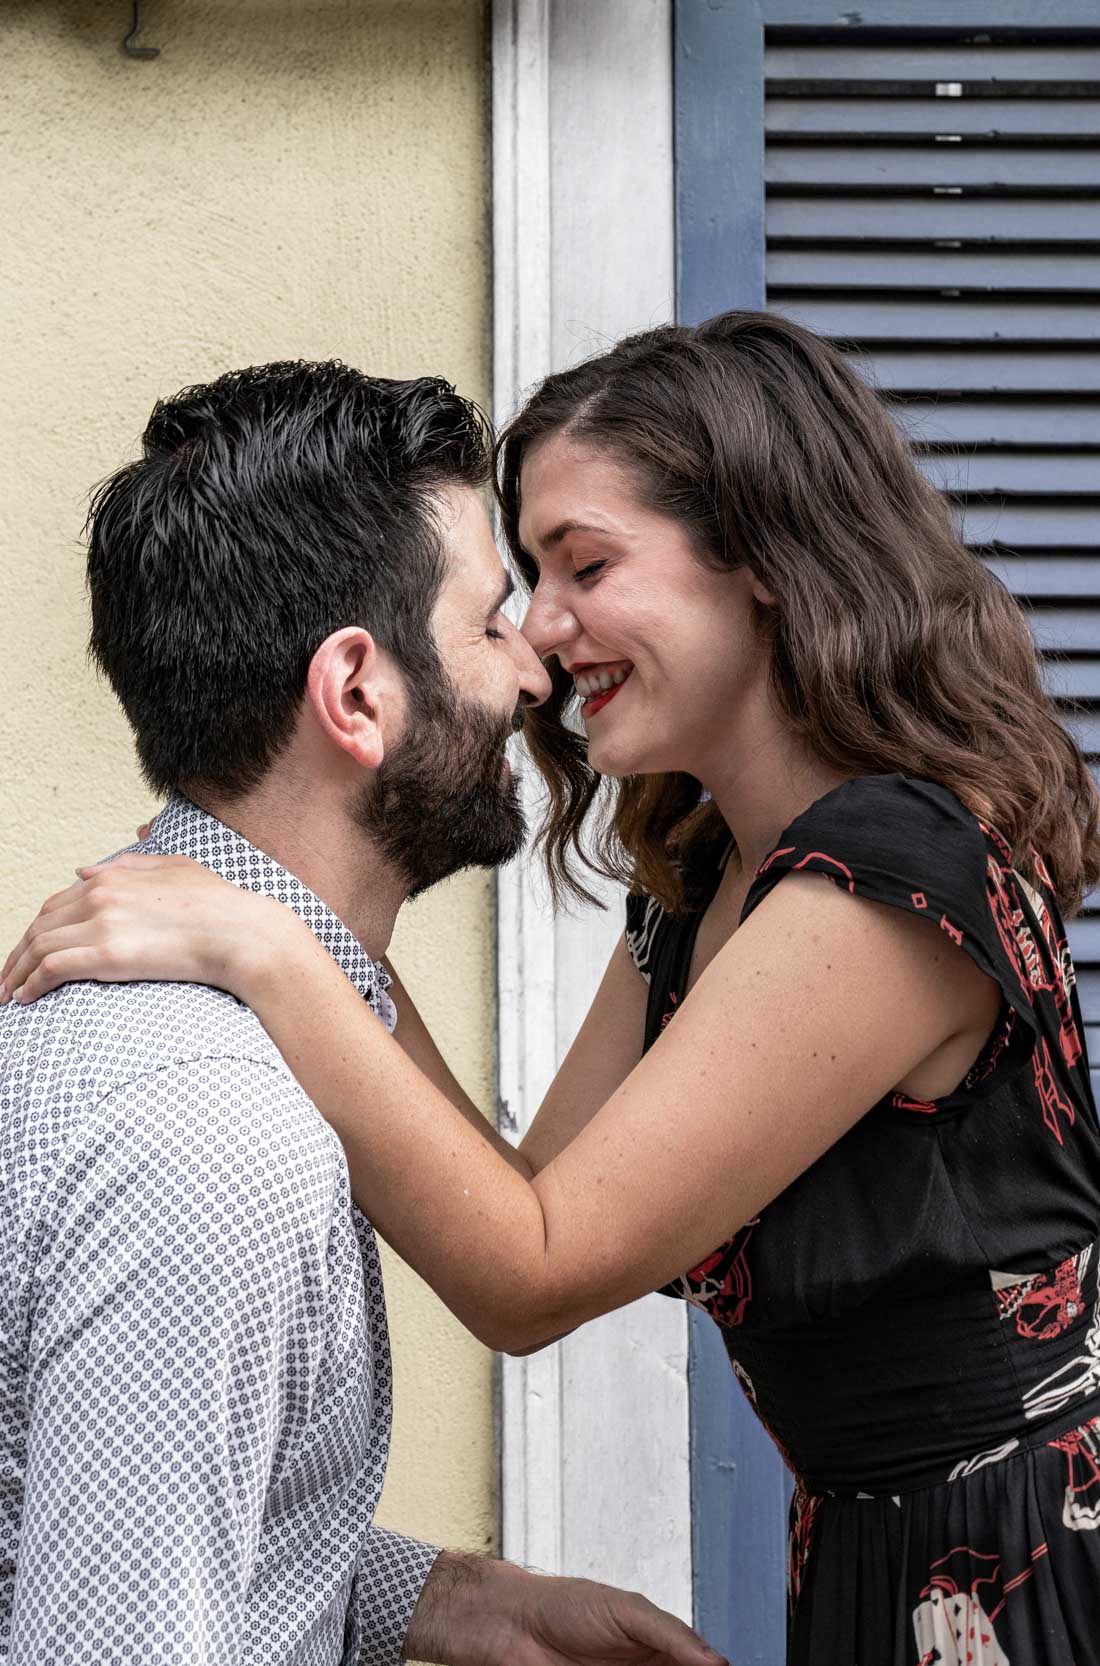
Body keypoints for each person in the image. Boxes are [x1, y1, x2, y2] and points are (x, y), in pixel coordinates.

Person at [6, 312, 1100, 1665]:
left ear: (763, 562)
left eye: (583, 563)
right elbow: (514, 1190)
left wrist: (266, 944)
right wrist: (290, 916)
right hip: (880, 1554)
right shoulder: (698, 886)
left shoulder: (890, 885)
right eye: (523, 578)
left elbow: (535, 1271)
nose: (539, 629)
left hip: (1030, 1561)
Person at [0, 363, 727, 1666]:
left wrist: (440, 1597)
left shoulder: (168, 1025)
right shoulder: (218, 1143)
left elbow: (89, 1519)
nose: (533, 671)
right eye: (492, 620)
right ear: (356, 693)